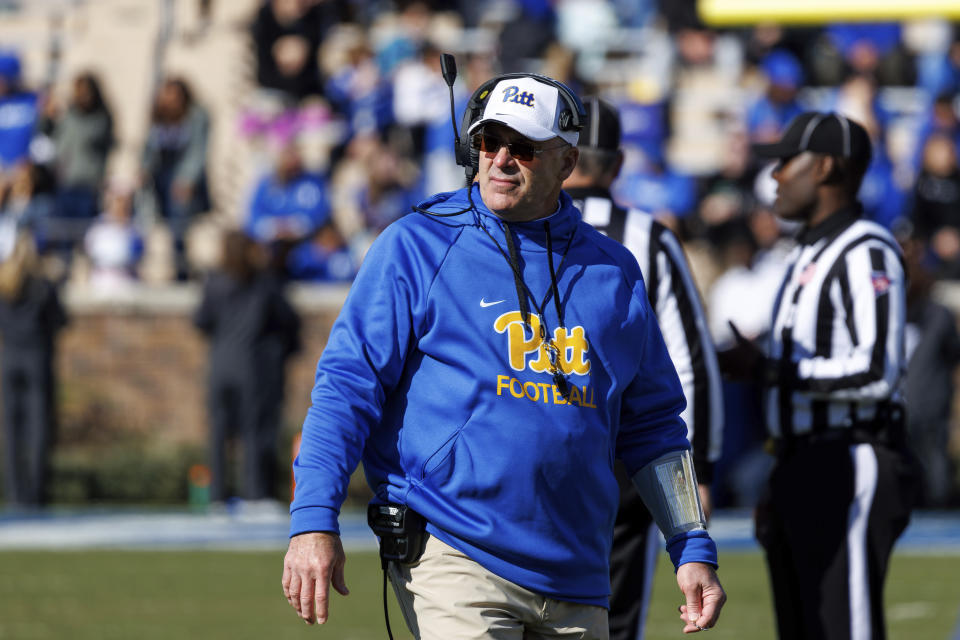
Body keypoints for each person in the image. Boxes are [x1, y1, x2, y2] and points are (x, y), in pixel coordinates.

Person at [282, 73, 725, 638]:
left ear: (567, 163)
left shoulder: (614, 270)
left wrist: (690, 543)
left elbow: (656, 427)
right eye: (489, 143)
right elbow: (347, 389)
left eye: (523, 148)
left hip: (579, 570)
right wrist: (314, 520)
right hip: (453, 551)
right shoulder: (416, 244)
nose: (500, 160)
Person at [718, 112, 920, 640]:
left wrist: (766, 369)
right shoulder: (807, 251)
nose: (775, 178)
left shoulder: (865, 248)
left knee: (844, 627)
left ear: (826, 167)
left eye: (787, 163)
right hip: (799, 460)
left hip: (848, 457)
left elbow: (877, 370)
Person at [562, 97, 724, 640]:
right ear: (617, 164)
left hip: (539, 440)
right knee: (614, 612)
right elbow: (690, 358)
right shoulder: (648, 238)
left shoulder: (511, 227)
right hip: (625, 454)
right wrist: (700, 466)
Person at [194, 231, 300, 502]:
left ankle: (217, 495)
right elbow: (287, 320)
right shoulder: (264, 282)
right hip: (253, 365)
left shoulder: (214, 282)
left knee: (218, 432)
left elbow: (201, 321)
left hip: (220, 365)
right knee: (255, 429)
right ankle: (254, 493)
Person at [0, 233, 67, 507]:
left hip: (10, 359)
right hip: (37, 359)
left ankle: (17, 494)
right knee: (38, 427)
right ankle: (36, 494)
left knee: (12, 429)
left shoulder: (4, 286)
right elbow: (61, 320)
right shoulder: (43, 287)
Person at [141, 77, 210, 281]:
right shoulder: (158, 117)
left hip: (181, 181)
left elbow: (198, 151)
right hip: (160, 179)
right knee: (156, 223)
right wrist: (143, 170)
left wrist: (187, 179)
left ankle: (182, 271)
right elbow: (149, 148)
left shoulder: (196, 117)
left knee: (180, 225)